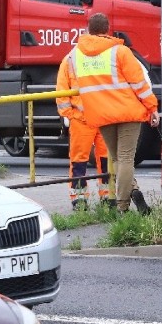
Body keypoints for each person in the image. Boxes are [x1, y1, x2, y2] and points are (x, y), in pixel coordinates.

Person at [67, 13, 159, 214]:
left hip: (101, 114)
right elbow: (139, 84)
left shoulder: (76, 55)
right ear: (107, 29)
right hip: (127, 112)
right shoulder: (120, 51)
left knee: (117, 159)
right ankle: (122, 206)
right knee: (126, 158)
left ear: (88, 29)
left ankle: (133, 191)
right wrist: (152, 108)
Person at [56, 56, 111, 210]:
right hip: (96, 117)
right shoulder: (103, 55)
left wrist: (69, 114)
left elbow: (62, 88)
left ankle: (85, 199)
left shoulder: (70, 59)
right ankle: (104, 197)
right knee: (97, 159)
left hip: (91, 117)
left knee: (89, 160)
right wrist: (69, 114)